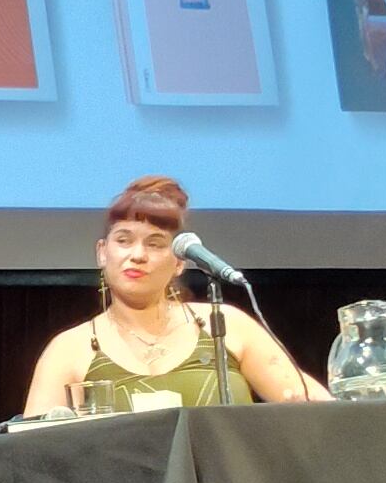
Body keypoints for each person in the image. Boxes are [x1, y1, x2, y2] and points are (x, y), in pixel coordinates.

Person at [20, 175, 318, 417]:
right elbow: (29, 455)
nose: (137, 255)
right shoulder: (69, 349)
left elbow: (316, 407)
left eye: (155, 243)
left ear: (179, 262)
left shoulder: (226, 325)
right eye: (124, 240)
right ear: (102, 252)